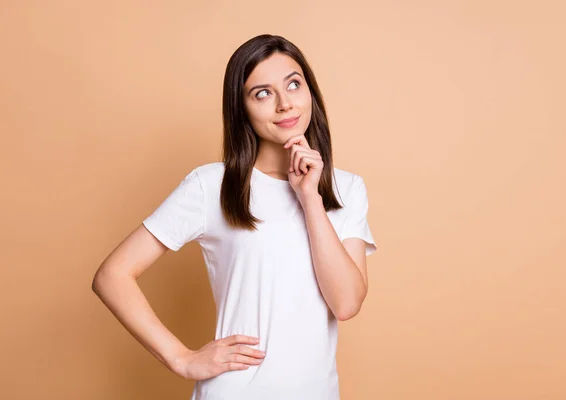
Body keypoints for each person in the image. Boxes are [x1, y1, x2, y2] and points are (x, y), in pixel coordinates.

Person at [92, 33, 377, 400]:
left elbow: (346, 303)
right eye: (262, 93)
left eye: (293, 84)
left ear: (311, 92)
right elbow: (112, 276)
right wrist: (182, 358)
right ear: (241, 108)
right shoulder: (212, 186)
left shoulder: (347, 189)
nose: (284, 104)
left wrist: (310, 199)